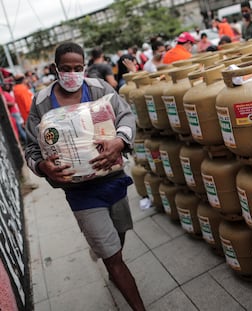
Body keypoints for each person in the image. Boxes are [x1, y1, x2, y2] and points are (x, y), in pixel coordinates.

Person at [24, 42, 146, 311]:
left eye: (77, 68)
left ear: (84, 67)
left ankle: (109, 254)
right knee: (112, 257)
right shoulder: (42, 102)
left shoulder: (99, 88)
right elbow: (31, 147)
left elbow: (125, 115)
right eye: (65, 69)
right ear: (55, 69)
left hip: (112, 180)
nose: (72, 74)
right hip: (80, 193)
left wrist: (119, 141)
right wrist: (43, 167)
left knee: (120, 232)